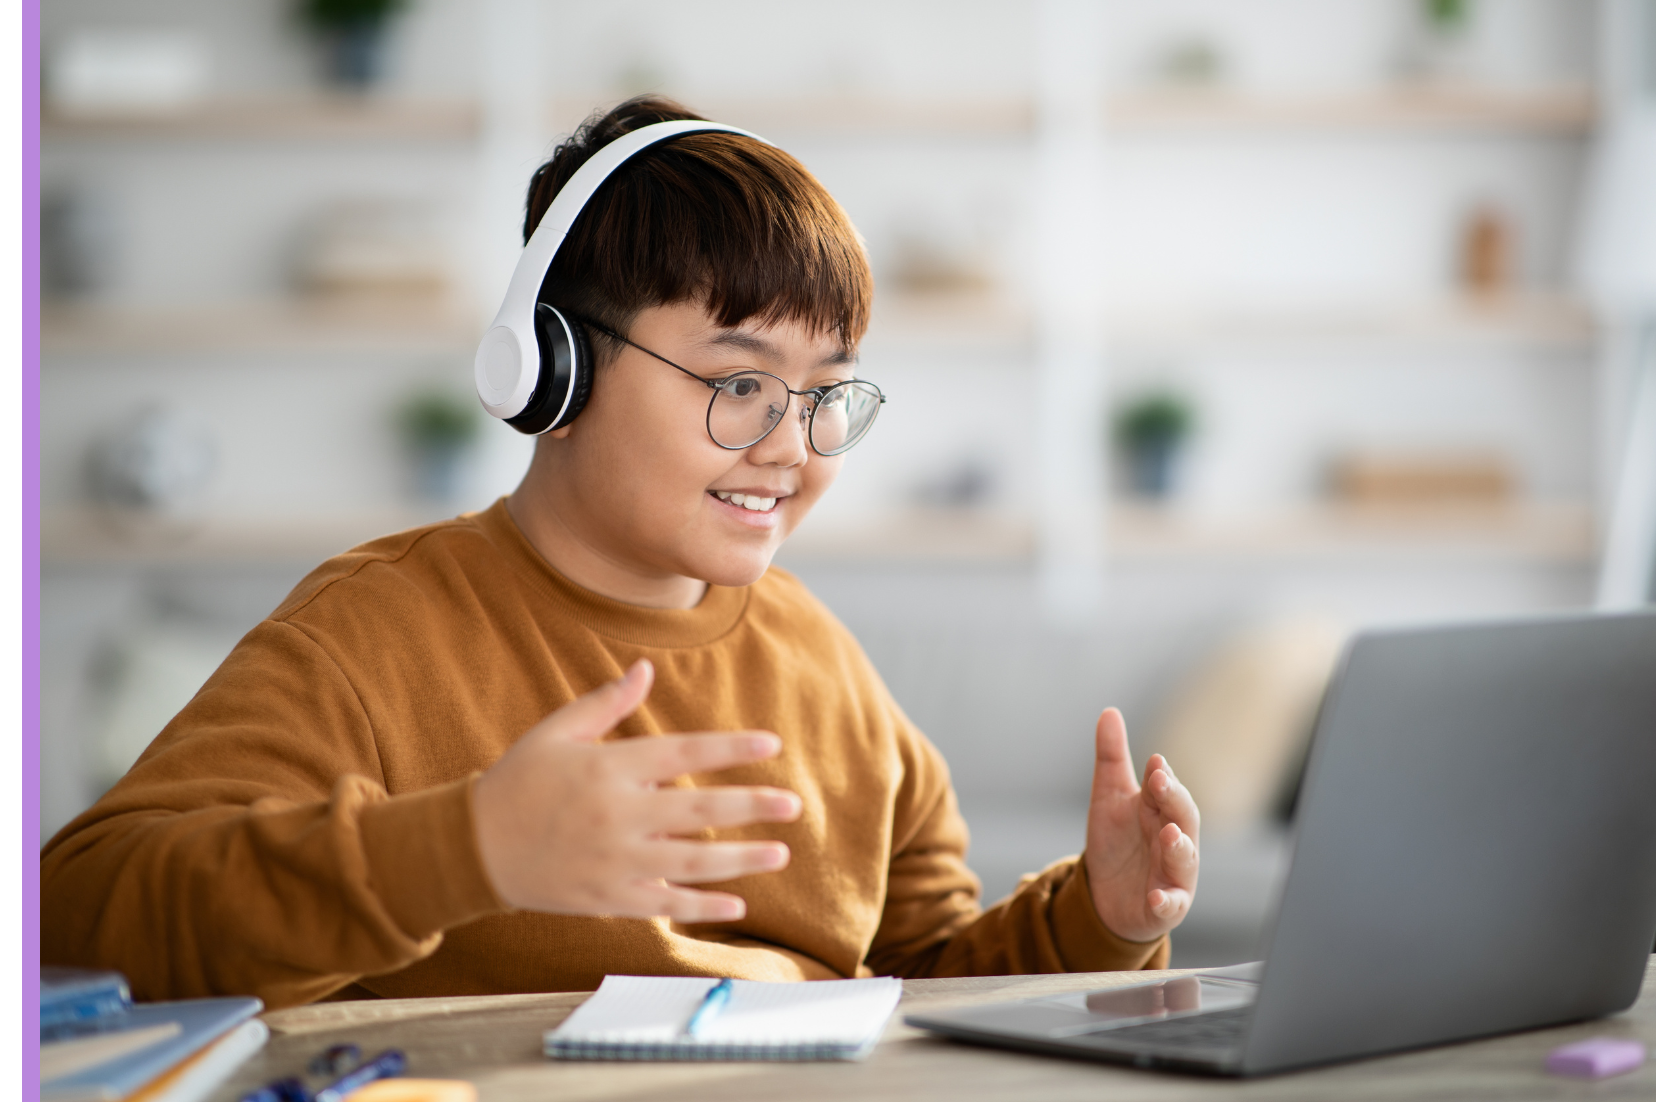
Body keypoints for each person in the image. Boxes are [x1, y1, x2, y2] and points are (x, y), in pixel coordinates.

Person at [40, 96, 1201, 1009]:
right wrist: (464, 848)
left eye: (829, 393)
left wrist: (1096, 919)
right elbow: (80, 914)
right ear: (555, 367)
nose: (792, 443)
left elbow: (924, 983)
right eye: (740, 381)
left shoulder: (823, 662)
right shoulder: (371, 636)